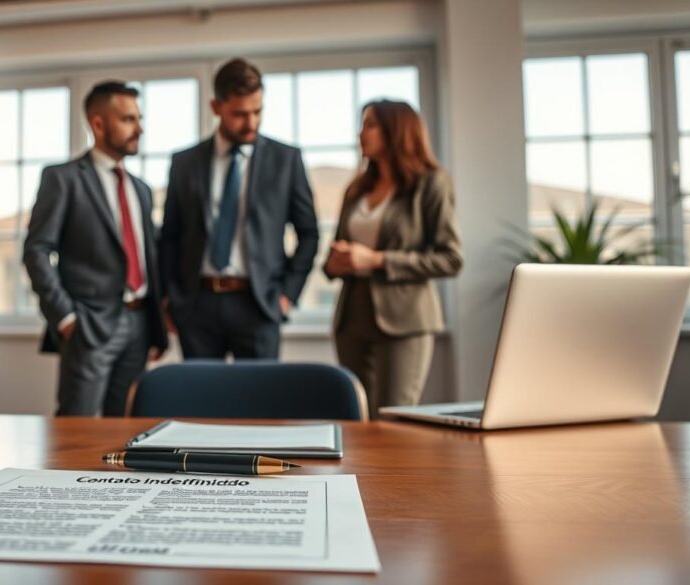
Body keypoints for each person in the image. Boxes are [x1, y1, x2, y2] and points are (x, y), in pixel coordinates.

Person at [23, 81, 167, 416]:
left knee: (127, 430)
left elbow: (150, 256)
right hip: (89, 325)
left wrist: (157, 321)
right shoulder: (63, 178)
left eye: (139, 119)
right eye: (129, 119)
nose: (139, 128)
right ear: (98, 124)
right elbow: (37, 250)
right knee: (77, 430)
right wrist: (67, 318)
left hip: (140, 325)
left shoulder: (141, 190)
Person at [160, 58, 319, 359]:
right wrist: (170, 298)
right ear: (216, 107)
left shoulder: (286, 160)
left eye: (258, 111)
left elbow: (309, 234)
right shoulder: (184, 163)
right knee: (200, 403)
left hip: (259, 304)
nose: (251, 123)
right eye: (239, 114)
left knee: (259, 403)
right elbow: (171, 234)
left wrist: (287, 295)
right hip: (198, 305)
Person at [324, 100, 463, 417]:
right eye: (362, 125)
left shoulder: (430, 183)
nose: (362, 133)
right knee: (356, 418)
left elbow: (451, 258)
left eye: (370, 125)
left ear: (396, 130)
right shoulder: (357, 188)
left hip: (405, 321)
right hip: (352, 319)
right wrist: (334, 264)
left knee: (394, 420)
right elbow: (336, 250)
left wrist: (377, 260)